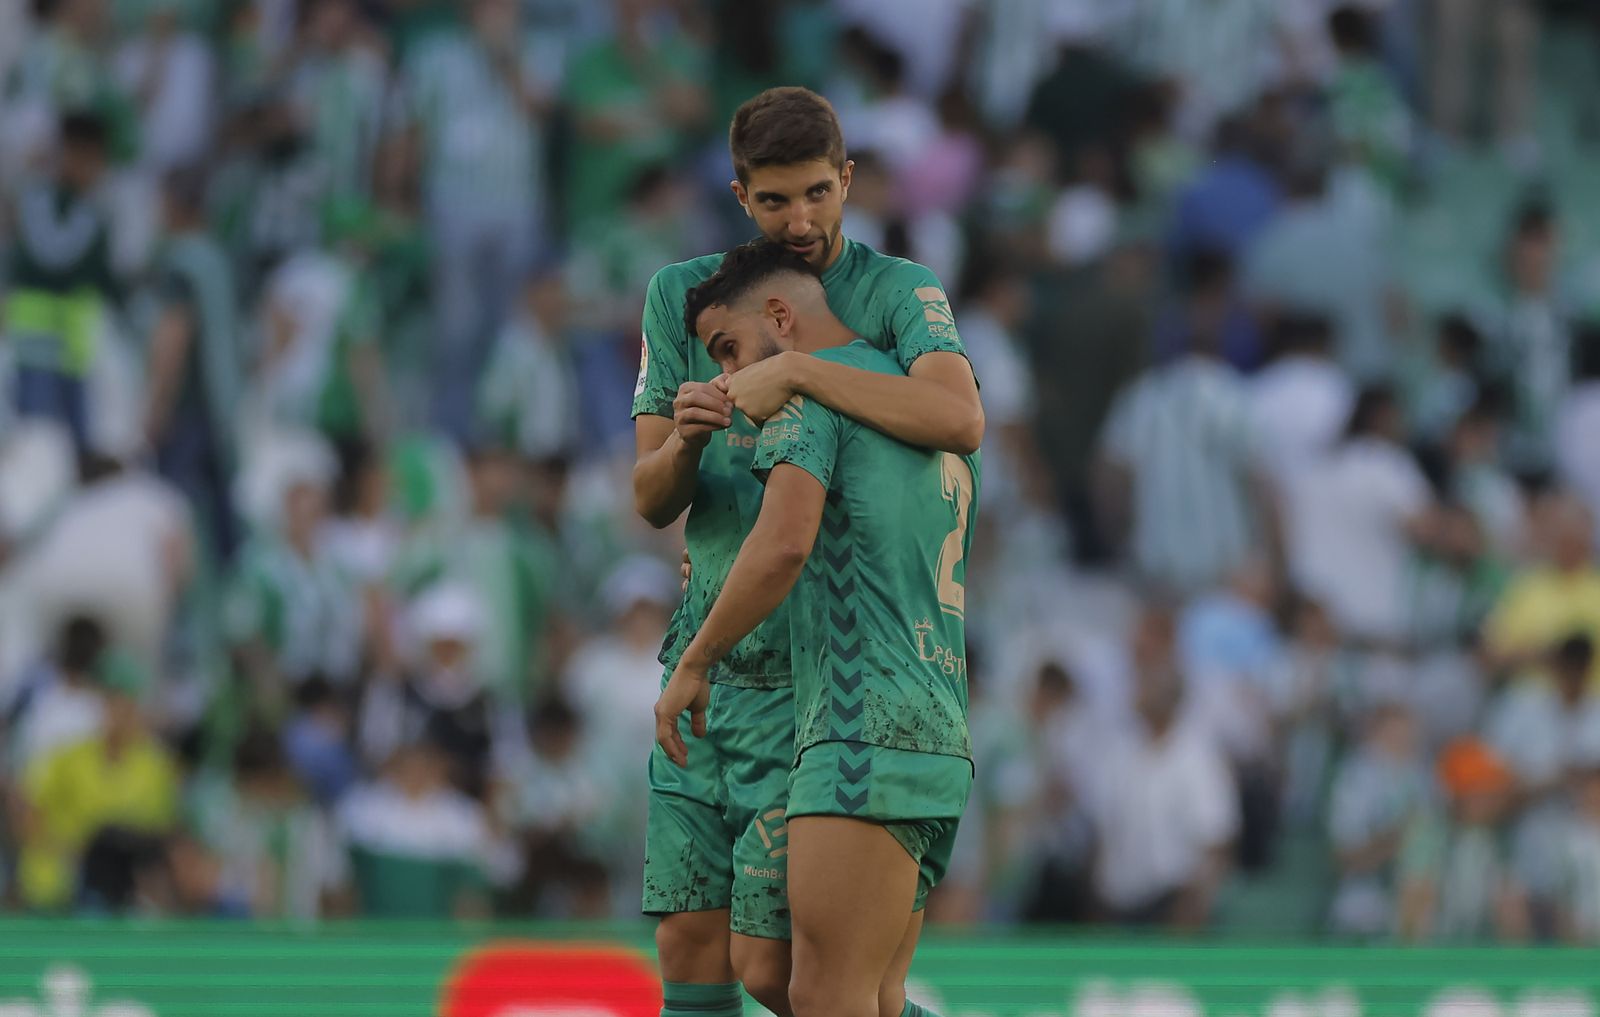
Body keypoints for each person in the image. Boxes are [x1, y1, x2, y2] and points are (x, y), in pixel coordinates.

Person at [630, 87, 981, 1017]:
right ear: (741, 195)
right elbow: (650, 497)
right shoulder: (687, 297)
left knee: (790, 976)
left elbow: (960, 416)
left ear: (850, 180)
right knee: (692, 944)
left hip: (823, 681)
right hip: (712, 666)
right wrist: (687, 442)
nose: (802, 220)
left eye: (819, 194)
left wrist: (793, 372)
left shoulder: (898, 292)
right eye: (776, 200)